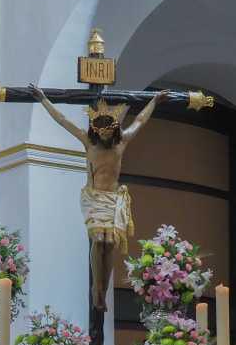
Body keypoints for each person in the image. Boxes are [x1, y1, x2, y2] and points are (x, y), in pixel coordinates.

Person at [27, 82, 165, 311]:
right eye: (101, 131)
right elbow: (62, 119)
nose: (104, 135)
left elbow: (140, 121)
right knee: (99, 239)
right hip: (93, 197)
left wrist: (154, 101)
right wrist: (43, 99)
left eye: (108, 131)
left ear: (114, 129)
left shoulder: (121, 142)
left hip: (113, 198)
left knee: (110, 243)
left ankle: (104, 288)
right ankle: (95, 288)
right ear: (95, 130)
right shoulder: (88, 142)